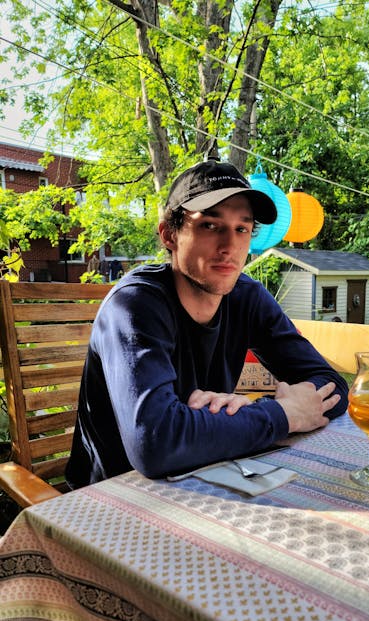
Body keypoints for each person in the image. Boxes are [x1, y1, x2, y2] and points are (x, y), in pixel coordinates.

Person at [66, 160, 348, 488]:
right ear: (169, 234)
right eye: (210, 226)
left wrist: (262, 410)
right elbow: (156, 444)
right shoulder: (134, 304)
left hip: (208, 475)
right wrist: (283, 414)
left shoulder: (247, 297)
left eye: (242, 228)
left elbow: (332, 385)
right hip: (115, 498)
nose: (229, 246)